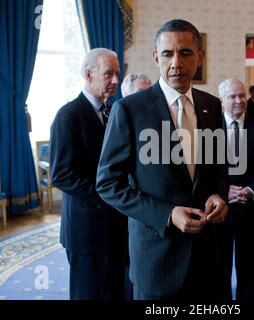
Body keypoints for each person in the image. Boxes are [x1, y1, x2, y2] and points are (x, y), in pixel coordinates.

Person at [96, 19, 229, 300]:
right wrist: (167, 214)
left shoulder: (212, 106)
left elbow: (218, 167)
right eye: (167, 54)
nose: (176, 63)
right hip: (157, 258)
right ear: (156, 57)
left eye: (186, 53)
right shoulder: (129, 110)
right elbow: (108, 184)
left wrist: (219, 193)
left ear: (200, 57)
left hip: (208, 256)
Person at [49, 48, 129, 300]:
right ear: (88, 74)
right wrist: (108, 195)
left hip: (114, 225)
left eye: (117, 73)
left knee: (115, 289)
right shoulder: (68, 115)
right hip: (86, 229)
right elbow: (61, 175)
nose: (116, 80)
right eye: (109, 74)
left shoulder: (112, 111)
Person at [217, 79, 254, 300]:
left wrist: (250, 190)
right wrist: (224, 191)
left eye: (242, 96)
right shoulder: (209, 126)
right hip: (218, 207)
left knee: (248, 265)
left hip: (249, 207)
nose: (239, 101)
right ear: (222, 100)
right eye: (233, 97)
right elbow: (202, 168)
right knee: (219, 265)